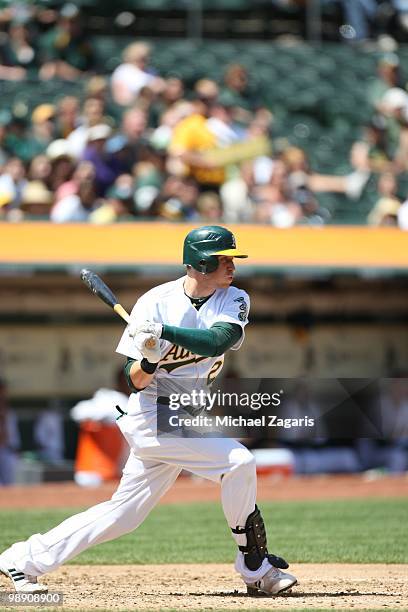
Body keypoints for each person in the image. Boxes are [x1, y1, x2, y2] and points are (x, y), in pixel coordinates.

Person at [0, 226, 297, 597]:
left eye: (231, 258)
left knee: (123, 516)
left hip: (187, 412)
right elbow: (133, 380)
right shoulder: (154, 301)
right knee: (237, 462)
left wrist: (165, 333)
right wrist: (149, 360)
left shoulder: (233, 298)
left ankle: (22, 559)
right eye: (223, 259)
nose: (231, 265)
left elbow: (221, 339)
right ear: (199, 263)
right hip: (152, 415)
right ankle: (255, 565)